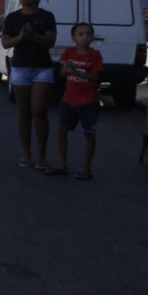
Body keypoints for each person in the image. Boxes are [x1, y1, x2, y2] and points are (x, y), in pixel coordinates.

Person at [1, 0, 57, 169]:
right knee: (23, 111)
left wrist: (33, 37)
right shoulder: (13, 18)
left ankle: (42, 155)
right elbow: (6, 43)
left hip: (42, 68)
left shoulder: (47, 16)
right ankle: (26, 154)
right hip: (20, 68)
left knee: (39, 111)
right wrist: (20, 38)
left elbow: (50, 41)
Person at [47, 22, 103, 180]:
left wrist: (77, 72)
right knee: (61, 130)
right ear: (73, 38)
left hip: (88, 100)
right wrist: (66, 68)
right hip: (69, 99)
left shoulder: (95, 55)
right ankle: (62, 164)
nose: (85, 37)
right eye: (81, 34)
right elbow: (62, 74)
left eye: (88, 34)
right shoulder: (69, 52)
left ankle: (86, 168)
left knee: (89, 133)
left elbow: (95, 77)